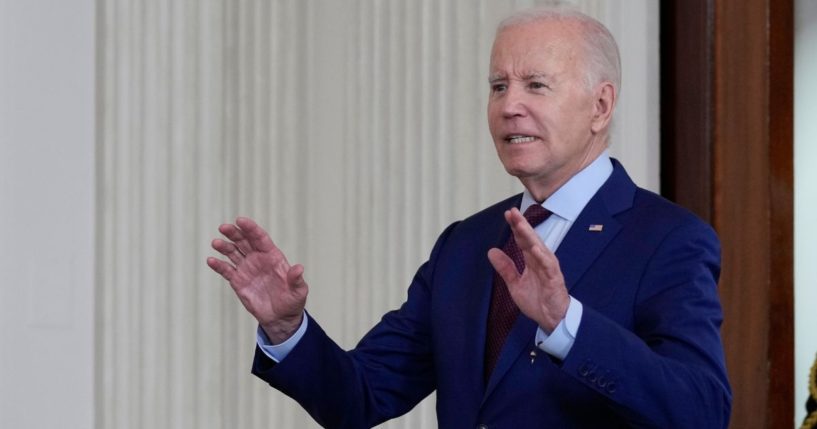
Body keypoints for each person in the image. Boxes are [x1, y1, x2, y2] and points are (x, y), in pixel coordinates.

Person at [207, 5, 732, 428]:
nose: (509, 106)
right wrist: (286, 327)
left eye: (536, 85)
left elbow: (702, 410)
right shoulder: (466, 245)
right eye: (498, 86)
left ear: (600, 106)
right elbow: (360, 397)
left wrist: (566, 325)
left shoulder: (668, 239)